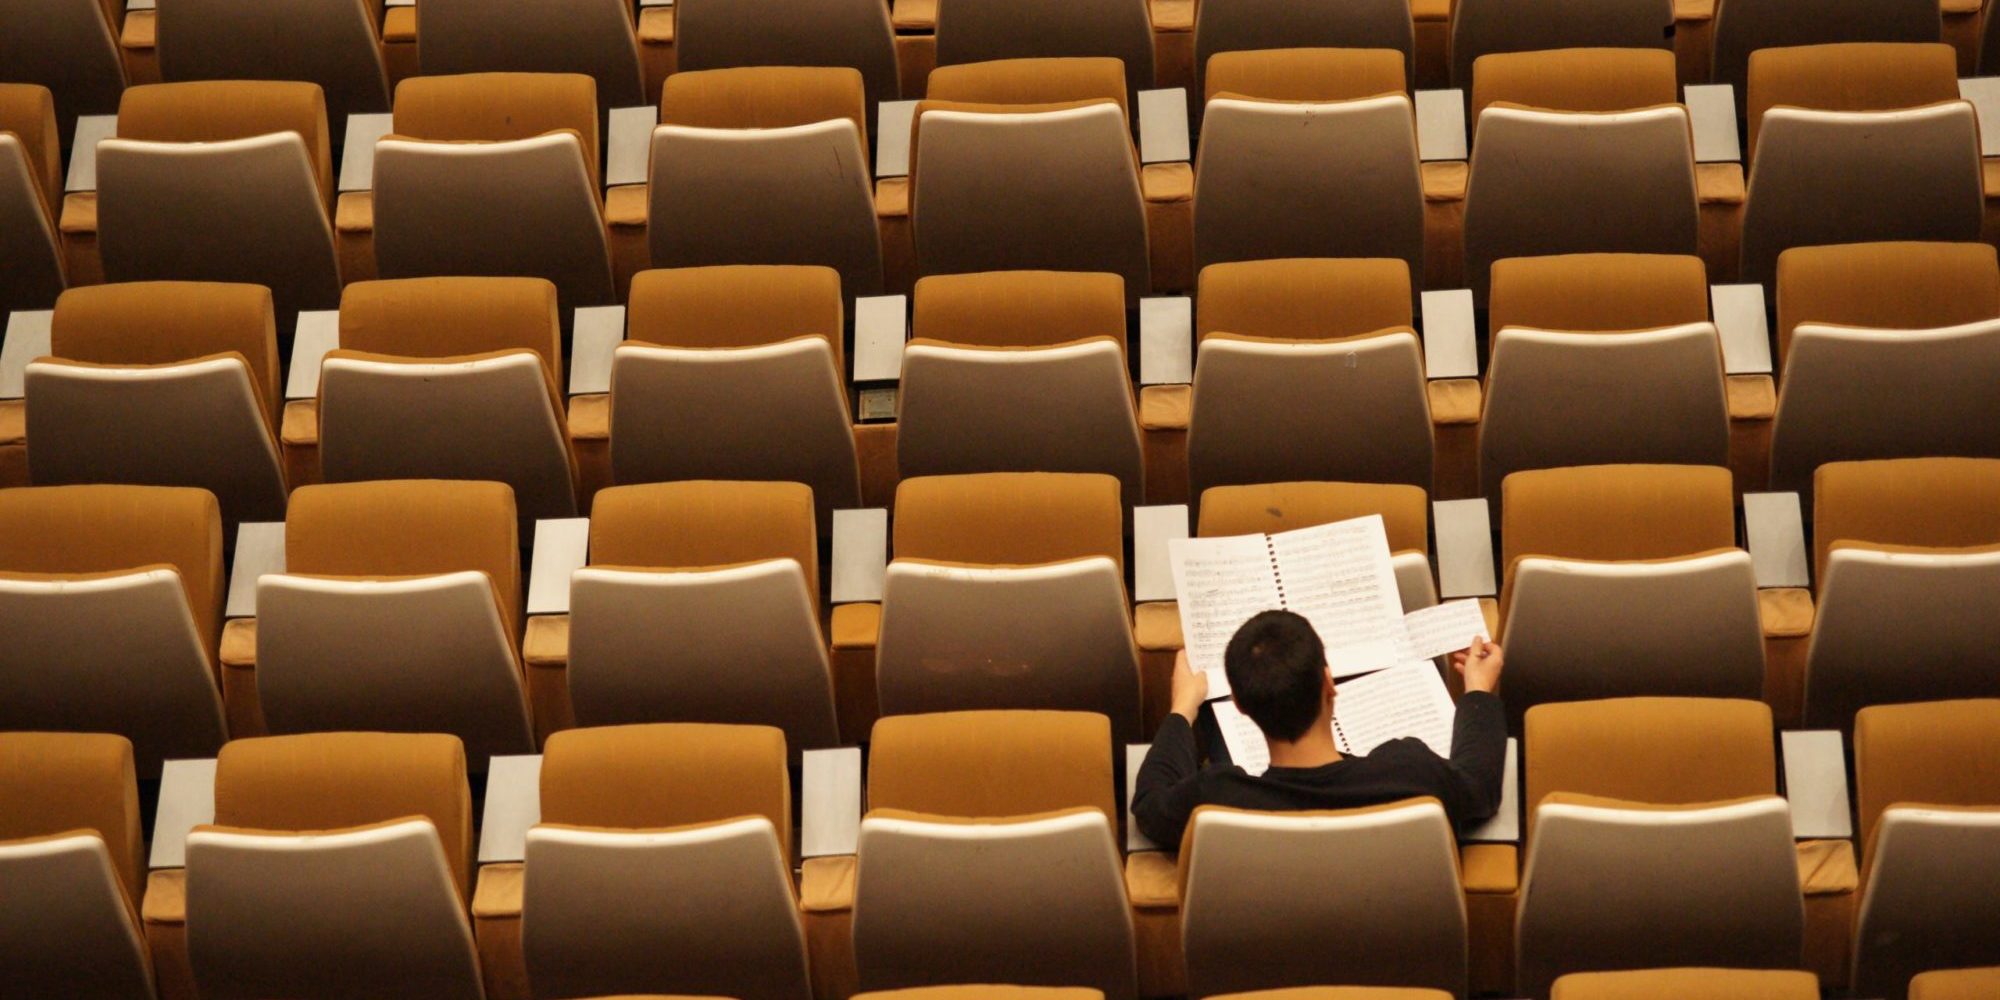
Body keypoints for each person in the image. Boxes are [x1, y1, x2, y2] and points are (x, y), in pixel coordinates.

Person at [1132, 608, 1507, 848]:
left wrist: (1182, 707)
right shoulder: (1410, 773)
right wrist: (1477, 689)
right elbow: (1480, 787)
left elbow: (1149, 804)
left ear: (1241, 706)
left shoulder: (1217, 801)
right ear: (1329, 684)